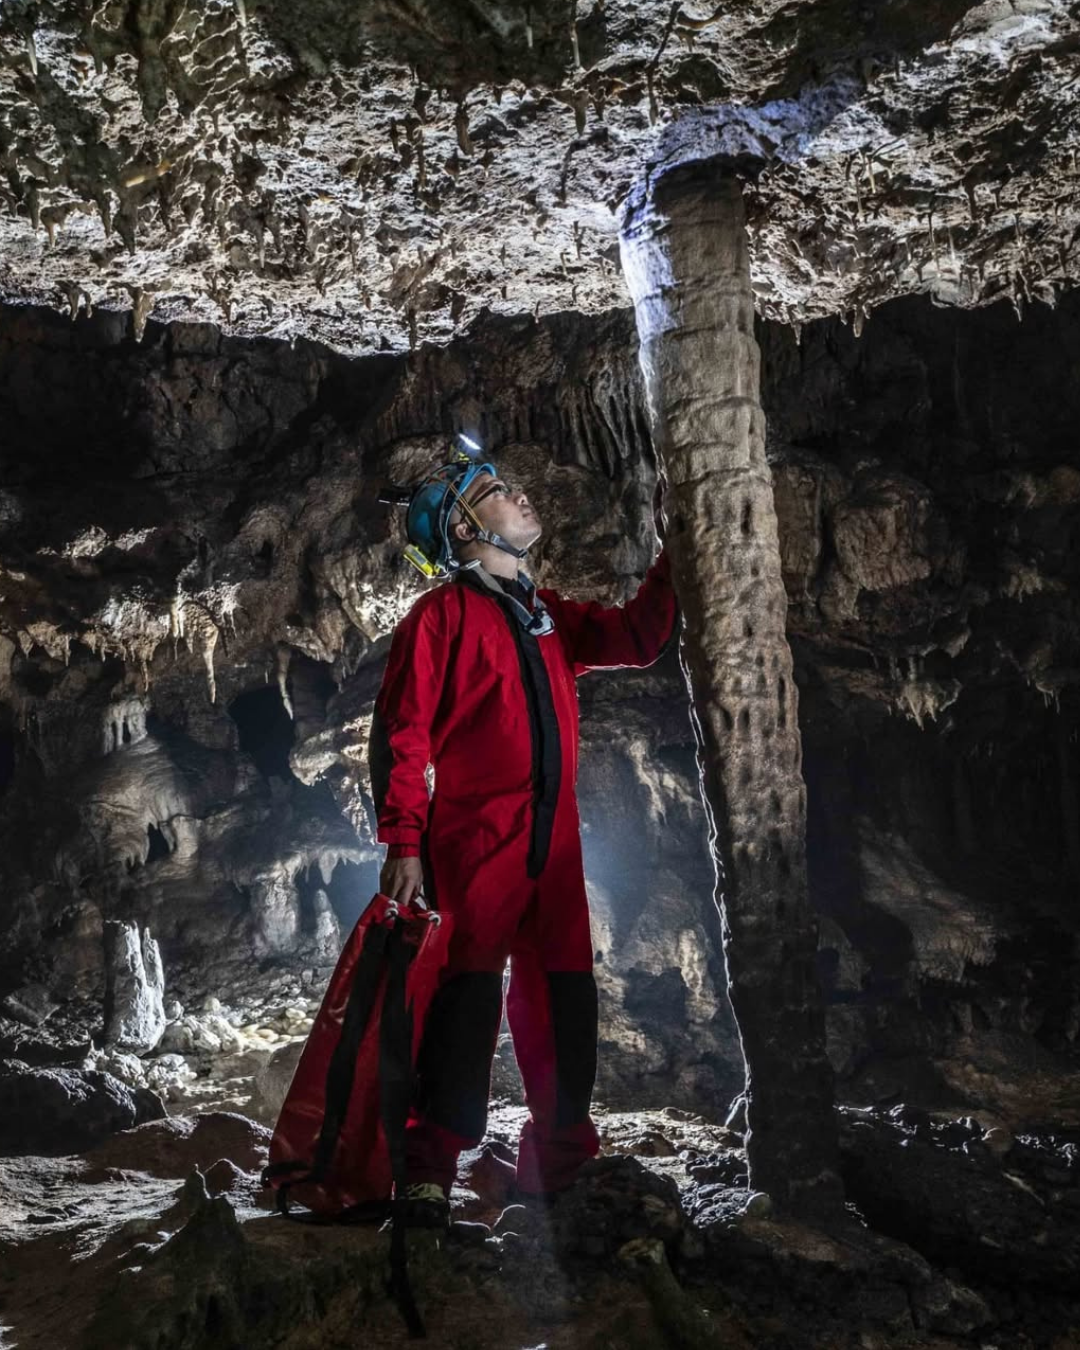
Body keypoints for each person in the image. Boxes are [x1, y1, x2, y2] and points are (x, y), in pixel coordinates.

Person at [369, 450, 676, 1225]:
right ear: (465, 529)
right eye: (498, 492)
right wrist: (404, 841)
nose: (521, 495)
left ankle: (560, 1164)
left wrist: (679, 550)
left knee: (564, 1001)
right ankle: (429, 1168)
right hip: (477, 843)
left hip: (556, 848)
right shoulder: (440, 618)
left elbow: (638, 637)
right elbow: (403, 734)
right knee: (464, 1003)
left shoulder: (548, 617)